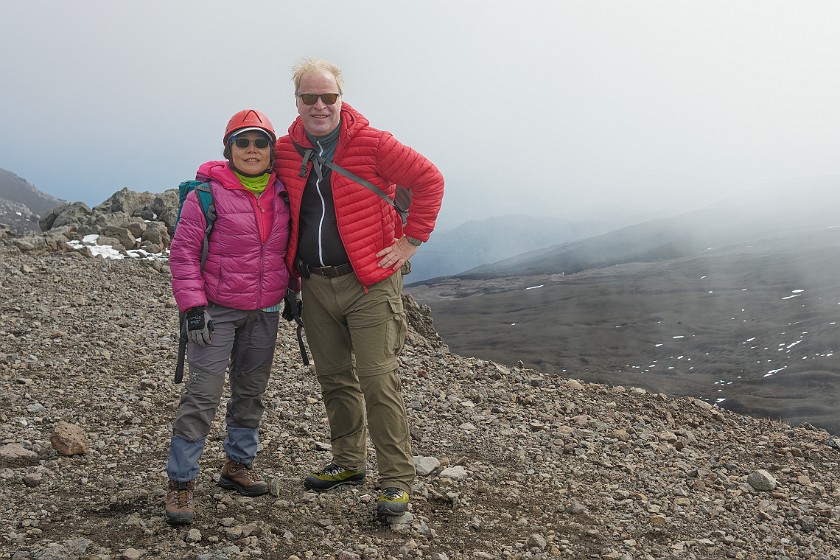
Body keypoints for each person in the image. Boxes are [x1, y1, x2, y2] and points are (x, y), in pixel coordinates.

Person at [274, 57, 445, 520]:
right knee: (334, 378)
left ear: (340, 98)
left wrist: (412, 240)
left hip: (369, 282)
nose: (319, 105)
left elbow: (429, 179)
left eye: (328, 96)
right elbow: (249, 175)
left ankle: (395, 480)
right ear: (297, 101)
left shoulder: (372, 143)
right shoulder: (285, 149)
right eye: (309, 97)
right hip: (314, 283)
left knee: (376, 377)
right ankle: (349, 464)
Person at [164, 109, 296, 525]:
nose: (252, 150)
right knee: (202, 394)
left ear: (272, 150)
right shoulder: (206, 193)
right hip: (215, 310)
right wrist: (193, 308)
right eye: (243, 142)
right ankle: (181, 482)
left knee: (250, 390)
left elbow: (287, 250)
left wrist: (293, 291)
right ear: (229, 148)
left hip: (265, 310)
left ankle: (237, 465)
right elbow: (183, 255)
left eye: (261, 143)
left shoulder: (283, 193)